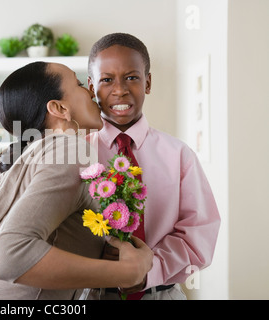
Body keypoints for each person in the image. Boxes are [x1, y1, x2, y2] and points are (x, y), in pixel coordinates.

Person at [0, 61, 153, 300]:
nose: (92, 91)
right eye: (80, 84)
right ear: (59, 109)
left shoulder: (8, 167)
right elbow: (8, 258)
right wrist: (126, 272)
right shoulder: (69, 148)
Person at [87, 33, 221, 300]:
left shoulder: (179, 155)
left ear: (147, 83)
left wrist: (147, 270)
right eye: (106, 79)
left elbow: (199, 235)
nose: (120, 89)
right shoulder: (76, 153)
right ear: (91, 88)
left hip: (160, 293)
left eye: (132, 77)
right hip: (93, 294)